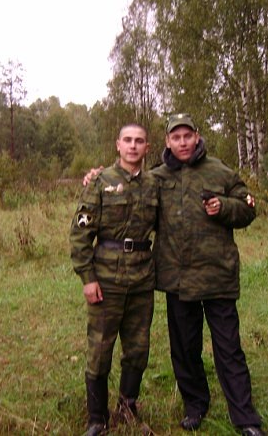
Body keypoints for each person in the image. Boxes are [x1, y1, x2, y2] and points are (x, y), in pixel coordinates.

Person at [84, 113, 265, 436]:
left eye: (187, 136)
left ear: (197, 136)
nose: (182, 143)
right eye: (176, 137)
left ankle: (246, 419)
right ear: (167, 142)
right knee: (184, 350)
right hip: (177, 280)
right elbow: (128, 190)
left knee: (229, 350)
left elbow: (248, 206)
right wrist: (97, 177)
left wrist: (224, 207)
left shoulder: (219, 171)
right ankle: (195, 406)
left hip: (218, 277)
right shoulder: (156, 178)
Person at [70, 123, 158, 436]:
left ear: (147, 147)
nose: (133, 146)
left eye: (140, 141)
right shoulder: (100, 182)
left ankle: (128, 408)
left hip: (142, 279)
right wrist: (87, 277)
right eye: (128, 140)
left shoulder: (155, 184)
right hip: (106, 279)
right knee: (100, 347)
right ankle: (97, 418)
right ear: (117, 145)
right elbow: (81, 233)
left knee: (138, 348)